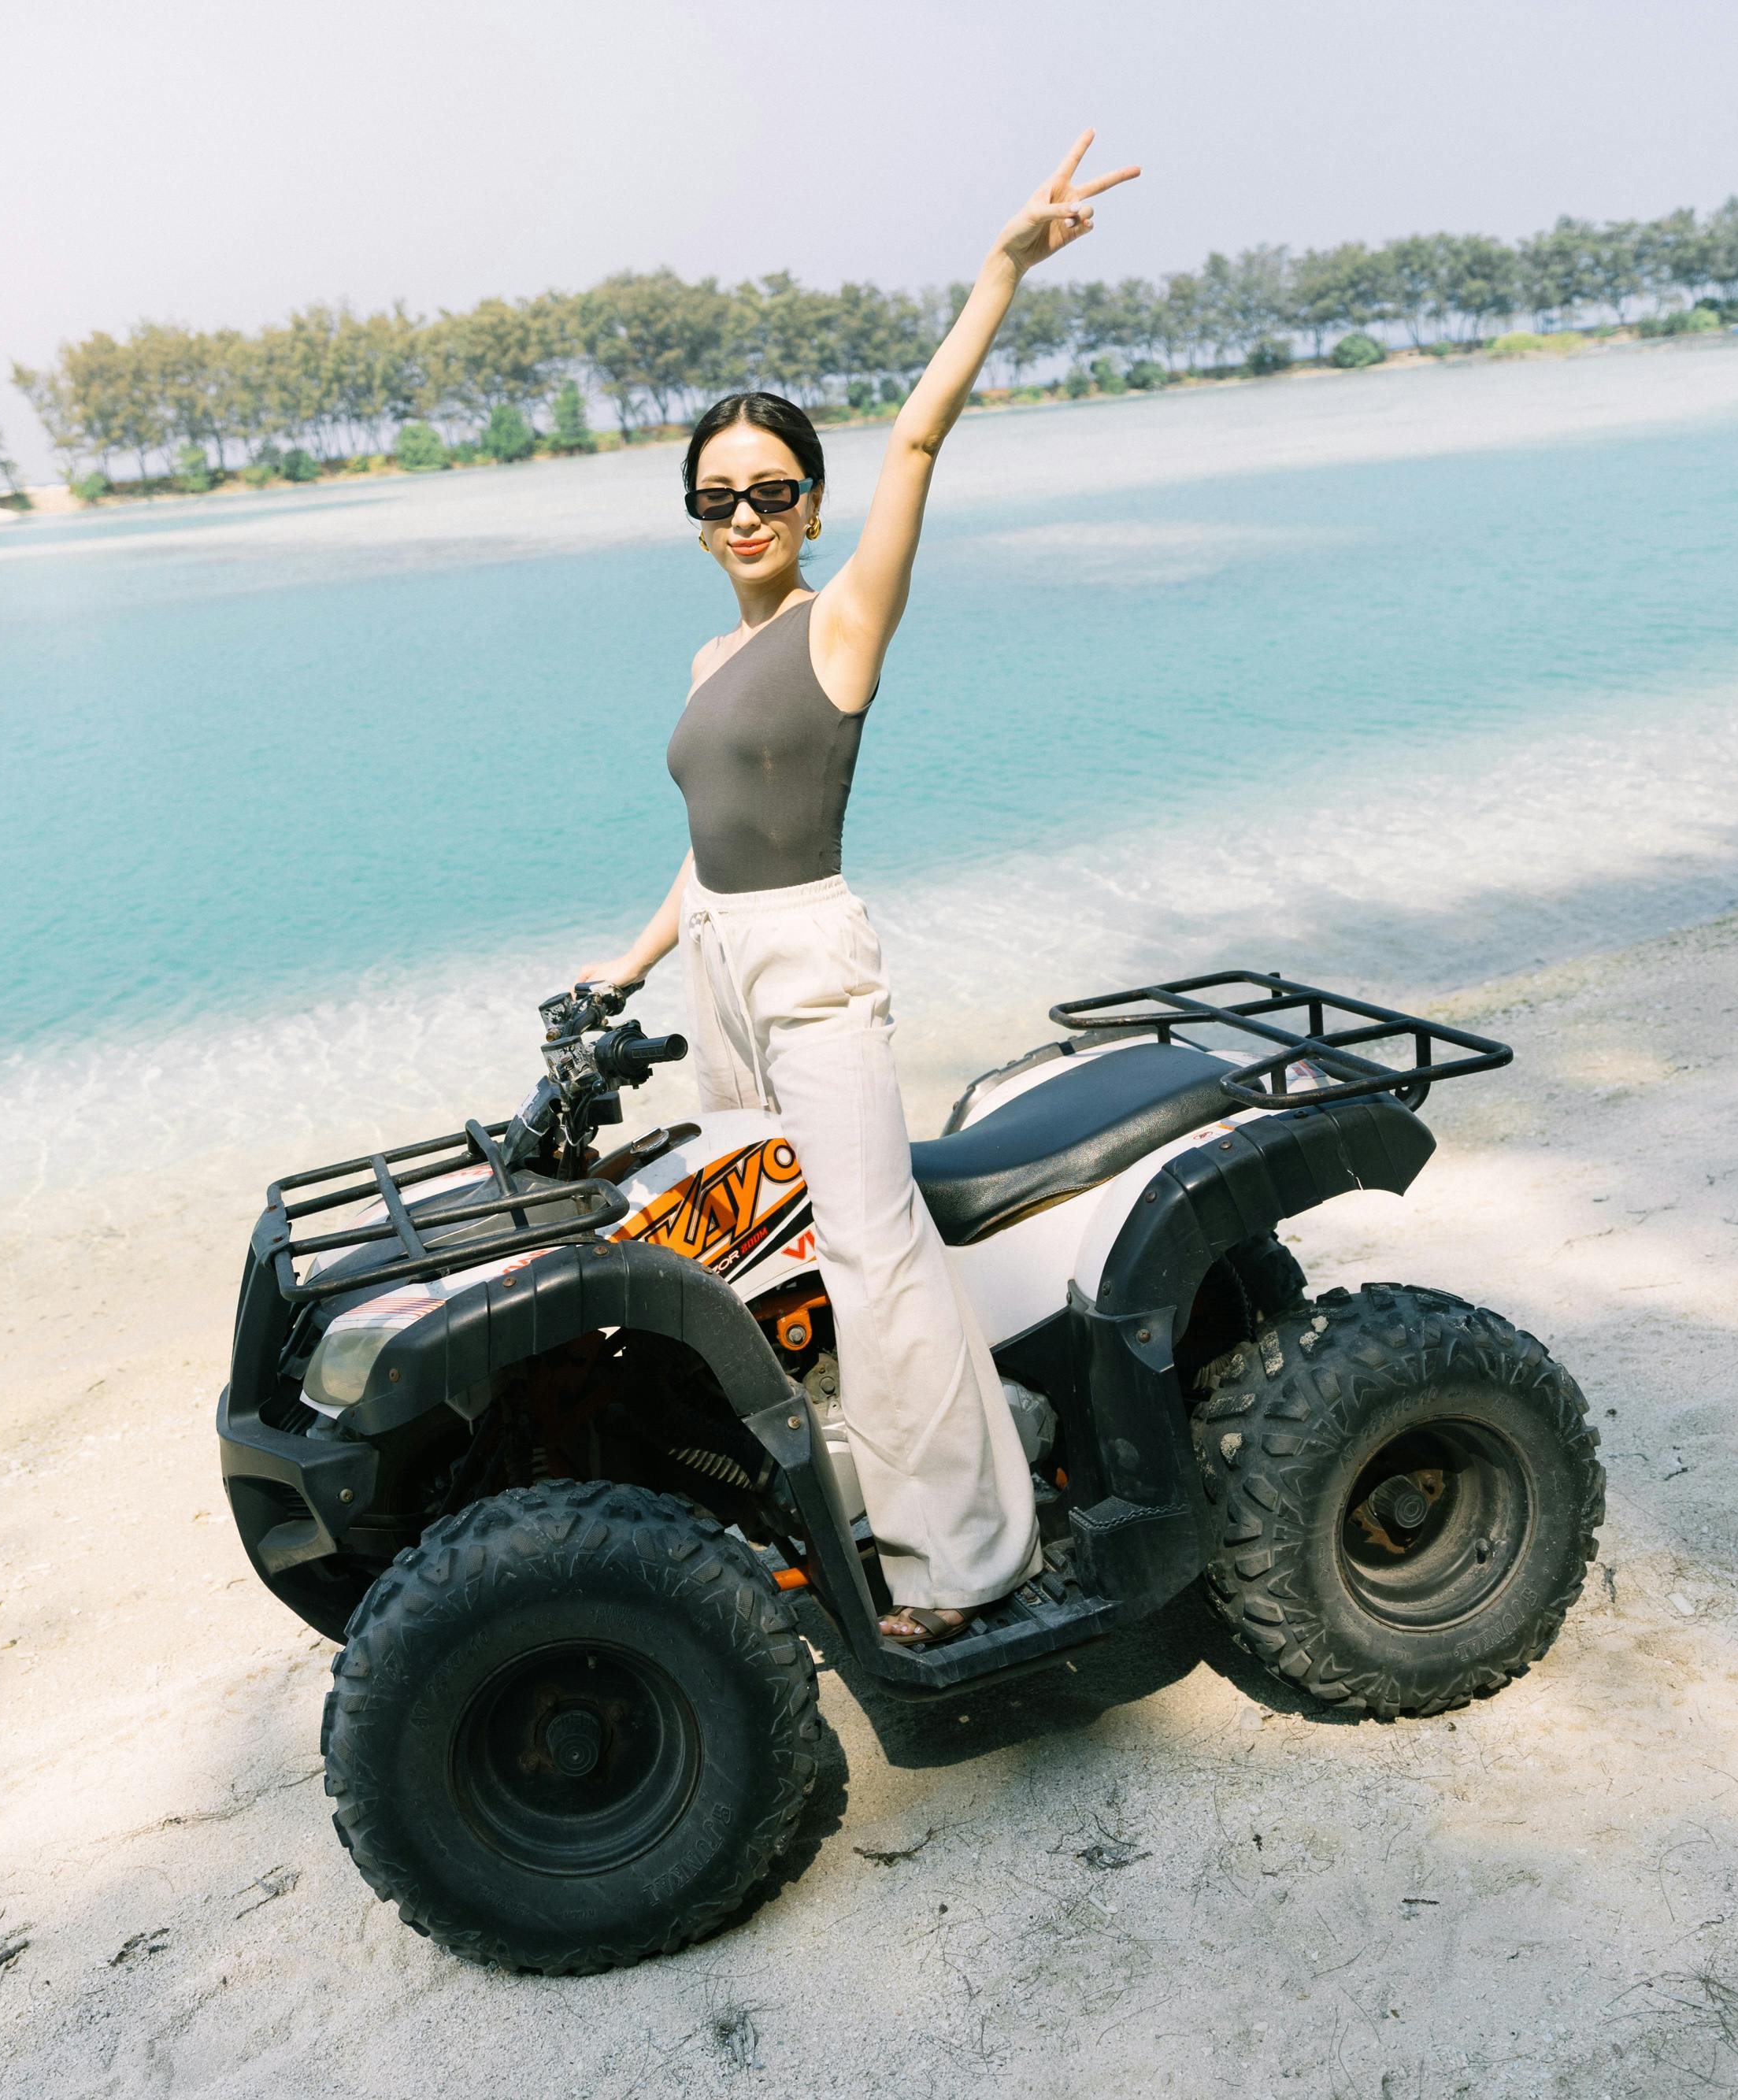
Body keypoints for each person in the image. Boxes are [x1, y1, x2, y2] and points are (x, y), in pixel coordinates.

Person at [573, 132, 1143, 1643]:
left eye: (769, 491)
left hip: (813, 965)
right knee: (783, 1242)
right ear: (695, 521)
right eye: (715, 499)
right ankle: (980, 1437)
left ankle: (959, 1564)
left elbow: (917, 442)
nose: (744, 516)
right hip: (719, 965)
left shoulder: (841, 628)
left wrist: (1002, 270)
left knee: (870, 1248)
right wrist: (620, 972)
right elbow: (707, 844)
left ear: (811, 506)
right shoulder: (707, 660)